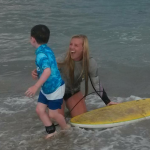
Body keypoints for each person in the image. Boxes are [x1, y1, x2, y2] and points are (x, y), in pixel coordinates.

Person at [32, 34, 117, 118]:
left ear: (83, 49)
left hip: (72, 92)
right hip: (56, 92)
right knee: (56, 119)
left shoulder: (90, 63)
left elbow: (96, 84)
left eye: (76, 45)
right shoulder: (62, 60)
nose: (72, 47)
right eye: (71, 44)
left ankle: (69, 108)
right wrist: (37, 72)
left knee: (81, 118)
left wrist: (107, 102)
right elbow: (47, 70)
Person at [25, 24, 70, 139]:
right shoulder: (46, 49)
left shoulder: (40, 54)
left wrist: (35, 86)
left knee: (53, 114)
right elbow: (47, 67)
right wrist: (37, 71)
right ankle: (51, 131)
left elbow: (48, 71)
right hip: (47, 88)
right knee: (39, 110)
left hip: (55, 88)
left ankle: (66, 128)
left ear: (32, 39)